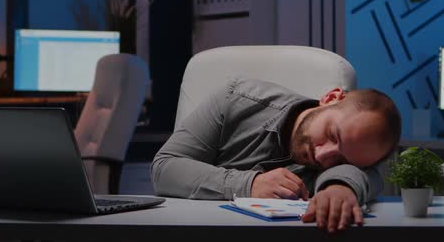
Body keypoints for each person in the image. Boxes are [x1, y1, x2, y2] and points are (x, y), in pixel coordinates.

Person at [151, 77, 401, 233]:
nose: (323, 156)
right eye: (332, 134)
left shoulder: (338, 166)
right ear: (330, 98)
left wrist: (340, 187)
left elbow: (370, 177)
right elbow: (165, 168)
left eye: (342, 160)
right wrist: (250, 184)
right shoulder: (236, 98)